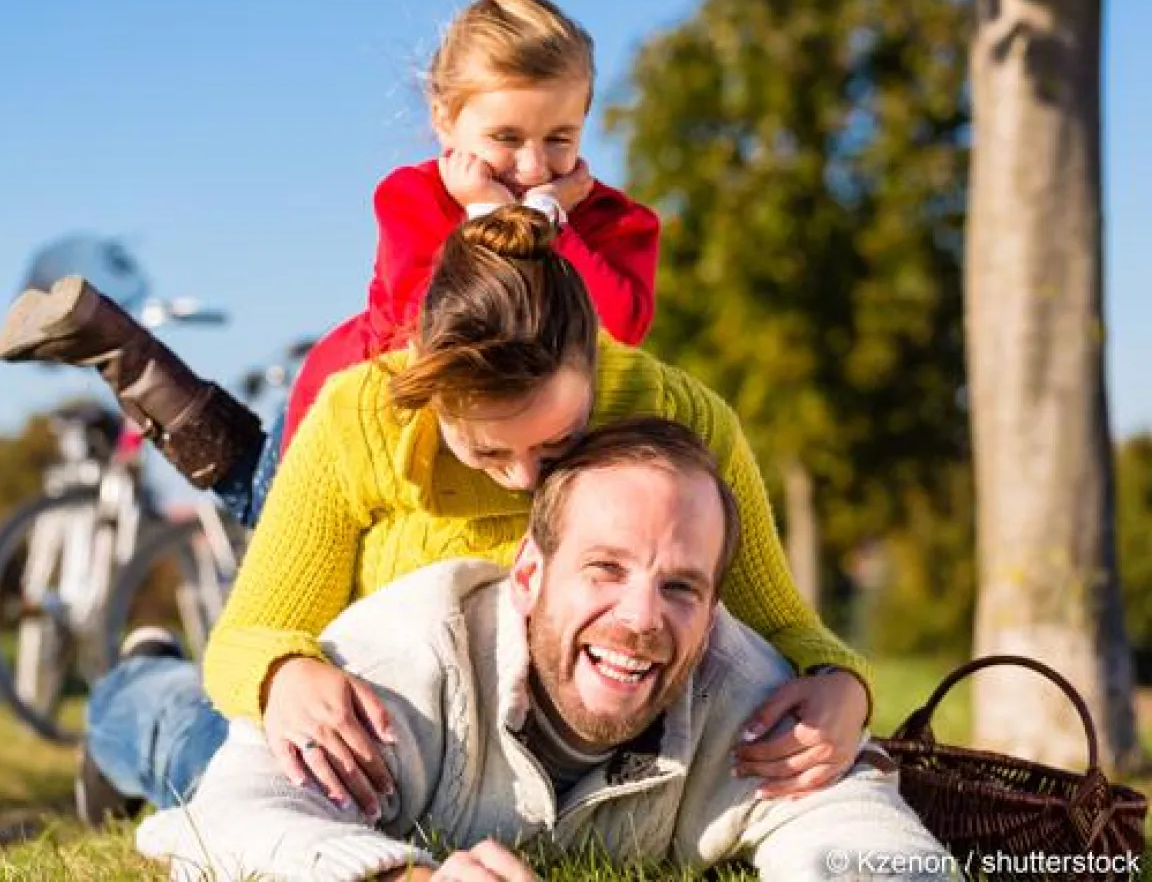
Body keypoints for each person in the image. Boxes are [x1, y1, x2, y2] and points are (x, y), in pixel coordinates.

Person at [78, 205, 873, 828]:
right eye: (489, 454)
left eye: (559, 444)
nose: (527, 479)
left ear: (594, 362)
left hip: (550, 761)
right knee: (199, 751)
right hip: (389, 752)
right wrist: (283, 675)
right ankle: (135, 686)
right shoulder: (360, 417)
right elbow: (248, 635)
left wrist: (842, 688)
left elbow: (789, 628)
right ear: (427, 380)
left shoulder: (682, 419)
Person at [129, 418, 955, 881]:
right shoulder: (398, 660)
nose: (640, 619)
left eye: (681, 587)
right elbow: (223, 822)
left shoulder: (744, 693)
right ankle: (140, 670)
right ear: (528, 572)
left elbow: (863, 836)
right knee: (171, 731)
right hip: (254, 709)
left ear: (713, 606)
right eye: (605, 569)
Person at [0, 0, 658, 528]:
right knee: (257, 499)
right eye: (506, 136)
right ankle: (118, 348)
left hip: (483, 438)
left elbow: (622, 325)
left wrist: (551, 220)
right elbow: (420, 332)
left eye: (560, 137)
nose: (533, 165)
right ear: (445, 118)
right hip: (344, 406)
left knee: (250, 478)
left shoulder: (608, 222)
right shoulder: (414, 200)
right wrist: (491, 214)